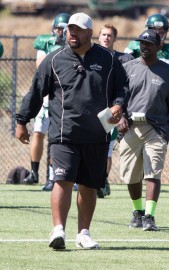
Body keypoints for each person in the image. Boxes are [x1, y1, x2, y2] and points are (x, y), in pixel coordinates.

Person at [16, 12, 128, 250]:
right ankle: (58, 230)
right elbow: (36, 91)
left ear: (90, 32)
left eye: (78, 30)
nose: (72, 33)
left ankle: (83, 234)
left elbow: (123, 87)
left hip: (97, 135)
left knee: (89, 185)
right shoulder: (54, 59)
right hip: (64, 135)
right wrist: (21, 120)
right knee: (62, 180)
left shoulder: (108, 59)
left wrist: (118, 104)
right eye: (70, 29)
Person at [118, 29, 169, 231]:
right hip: (130, 127)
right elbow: (116, 98)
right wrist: (120, 117)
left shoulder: (168, 72)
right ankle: (137, 211)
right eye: (142, 43)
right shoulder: (127, 68)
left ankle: (149, 216)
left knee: (152, 173)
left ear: (159, 46)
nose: (144, 46)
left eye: (149, 43)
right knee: (130, 175)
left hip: (157, 129)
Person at [22, 13, 71, 192]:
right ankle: (34, 172)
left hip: (65, 98)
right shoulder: (45, 42)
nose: (61, 32)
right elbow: (41, 68)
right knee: (38, 132)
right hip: (46, 96)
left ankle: (54, 175)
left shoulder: (74, 46)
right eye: (58, 28)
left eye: (64, 29)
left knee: (58, 137)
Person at [124, 14, 169, 121]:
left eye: (161, 31)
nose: (158, 34)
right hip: (136, 99)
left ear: (166, 32)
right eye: (154, 31)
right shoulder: (136, 48)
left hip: (165, 101)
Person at [97, 23, 134, 198]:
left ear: (114, 38)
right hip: (93, 109)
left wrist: (122, 112)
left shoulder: (124, 59)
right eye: (103, 35)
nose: (106, 38)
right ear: (98, 37)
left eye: (109, 35)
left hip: (113, 110)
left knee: (107, 148)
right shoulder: (92, 57)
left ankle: (102, 181)